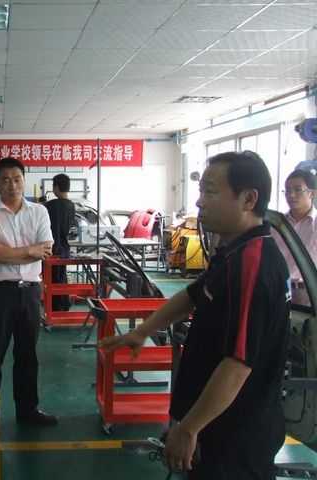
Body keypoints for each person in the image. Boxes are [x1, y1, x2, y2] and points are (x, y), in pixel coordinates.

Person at [102, 151, 290, 479]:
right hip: (214, 423)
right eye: (201, 190)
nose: (199, 201)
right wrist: (143, 330)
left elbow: (237, 364)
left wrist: (189, 428)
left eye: (210, 191)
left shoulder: (253, 264)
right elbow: (192, 295)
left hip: (235, 434)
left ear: (248, 199)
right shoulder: (234, 253)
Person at [0, 157, 58, 443]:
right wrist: (29, 251)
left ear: (24, 180)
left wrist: (12, 253)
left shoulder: (40, 212)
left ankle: (28, 410)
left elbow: (45, 249)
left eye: (17, 179)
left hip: (30, 292)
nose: (12, 185)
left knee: (27, 356)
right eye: (5, 180)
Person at [273, 169, 317, 306]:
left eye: (298, 190)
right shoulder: (276, 224)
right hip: (278, 289)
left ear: (312, 193)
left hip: (308, 293)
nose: (291, 195)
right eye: (287, 190)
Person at [44, 174, 76, 311]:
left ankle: (56, 308)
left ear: (56, 187)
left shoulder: (51, 205)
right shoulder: (71, 205)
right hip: (64, 248)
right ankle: (64, 304)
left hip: (52, 249)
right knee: (62, 277)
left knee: (53, 280)